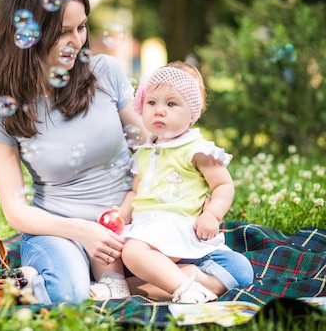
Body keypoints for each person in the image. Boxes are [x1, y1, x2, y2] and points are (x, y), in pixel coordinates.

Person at [0, 0, 147, 304]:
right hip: (59, 230)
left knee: (220, 270)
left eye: (82, 27)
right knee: (68, 294)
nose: (77, 42)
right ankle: (48, 279)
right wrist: (83, 231)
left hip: (130, 218)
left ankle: (91, 283)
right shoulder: (1, 109)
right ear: (27, 34)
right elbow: (15, 210)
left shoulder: (105, 72)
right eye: (63, 32)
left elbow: (149, 149)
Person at [105, 61, 254, 303]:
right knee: (109, 250)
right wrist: (123, 212)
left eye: (171, 103)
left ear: (192, 113)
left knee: (133, 252)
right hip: (147, 227)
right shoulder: (144, 151)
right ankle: (188, 280)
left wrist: (212, 215)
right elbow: (135, 192)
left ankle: (185, 286)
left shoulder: (197, 150)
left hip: (177, 226)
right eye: (151, 103)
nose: (159, 110)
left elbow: (223, 186)